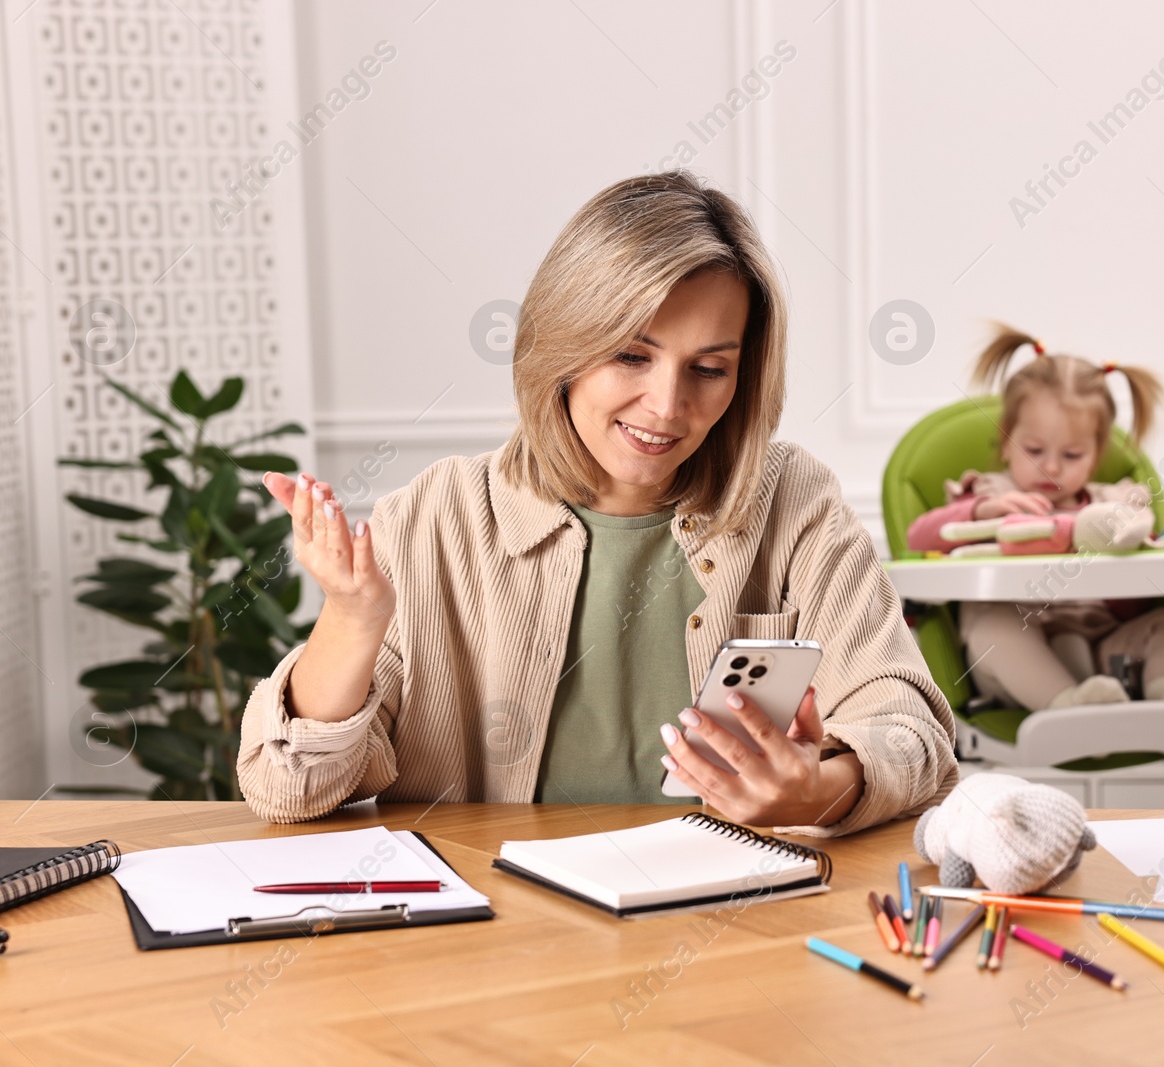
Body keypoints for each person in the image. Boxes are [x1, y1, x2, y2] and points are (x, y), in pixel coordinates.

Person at [236, 171, 957, 833]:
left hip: (732, 929)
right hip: (499, 943)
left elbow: (911, 731)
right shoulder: (436, 517)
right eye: (631, 356)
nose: (668, 405)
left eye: (709, 369)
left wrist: (819, 787)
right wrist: (353, 617)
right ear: (563, 345)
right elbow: (285, 786)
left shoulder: (793, 502)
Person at [907, 325, 1164, 723]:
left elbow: (1148, 565)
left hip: (1107, 660)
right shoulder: (991, 494)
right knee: (992, 627)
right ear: (1004, 440)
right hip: (1022, 669)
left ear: (1097, 454)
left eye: (1071, 454)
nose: (1049, 466)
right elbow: (919, 536)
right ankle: (1066, 705)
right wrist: (980, 511)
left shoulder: (1114, 503)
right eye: (1033, 450)